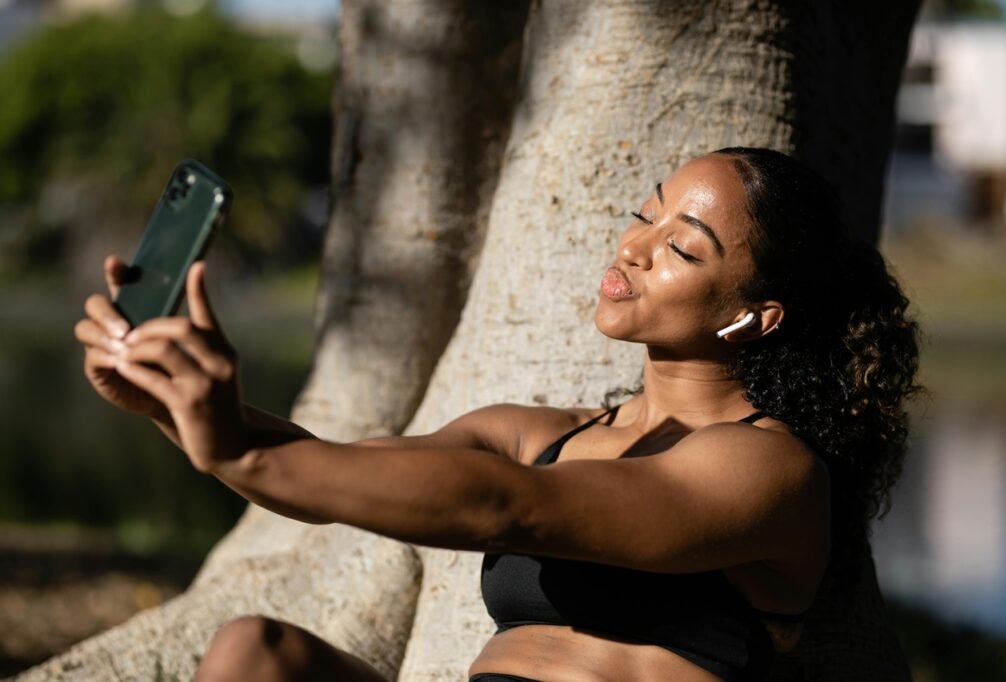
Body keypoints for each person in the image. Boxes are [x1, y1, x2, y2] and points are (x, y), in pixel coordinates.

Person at [74, 147, 920, 682]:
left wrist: (240, 457)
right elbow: (338, 464)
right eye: (645, 214)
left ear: (756, 315)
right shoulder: (542, 433)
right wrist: (178, 411)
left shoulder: (768, 469)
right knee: (252, 653)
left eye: (682, 246)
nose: (633, 245)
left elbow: (509, 506)